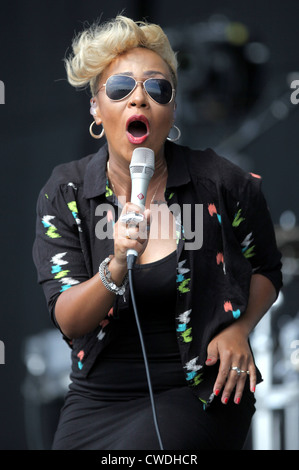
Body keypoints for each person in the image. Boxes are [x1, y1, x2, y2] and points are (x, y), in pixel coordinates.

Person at [33, 15, 282, 450]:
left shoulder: (222, 182)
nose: (140, 99)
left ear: (171, 107)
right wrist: (114, 266)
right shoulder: (68, 192)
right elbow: (69, 319)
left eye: (157, 88)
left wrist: (239, 328)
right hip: (97, 396)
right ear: (96, 107)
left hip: (199, 389)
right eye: (120, 88)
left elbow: (267, 268)